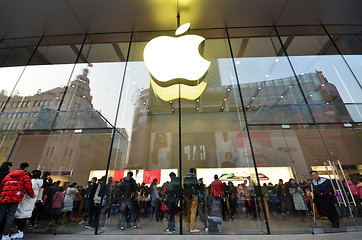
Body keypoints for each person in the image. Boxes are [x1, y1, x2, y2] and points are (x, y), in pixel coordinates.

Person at [0, 162, 35, 240]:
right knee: (10, 216)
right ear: (25, 169)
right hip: (15, 198)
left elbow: (2, 185)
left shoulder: (9, 175)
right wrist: (32, 195)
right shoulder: (25, 176)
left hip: (4, 197)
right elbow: (28, 187)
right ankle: (5, 235)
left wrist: (2, 194)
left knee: (1, 214)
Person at [12, 170, 43, 239]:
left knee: (22, 217)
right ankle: (20, 231)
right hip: (30, 201)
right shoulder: (38, 182)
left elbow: (28, 189)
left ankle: (20, 231)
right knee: (24, 216)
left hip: (26, 200)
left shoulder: (32, 182)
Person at [183, 168, 200, 233]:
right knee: (193, 212)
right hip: (194, 196)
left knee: (188, 212)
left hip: (187, 197)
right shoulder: (193, 178)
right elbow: (197, 187)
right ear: (193, 172)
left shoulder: (185, 179)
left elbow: (184, 187)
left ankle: (188, 226)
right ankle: (192, 228)